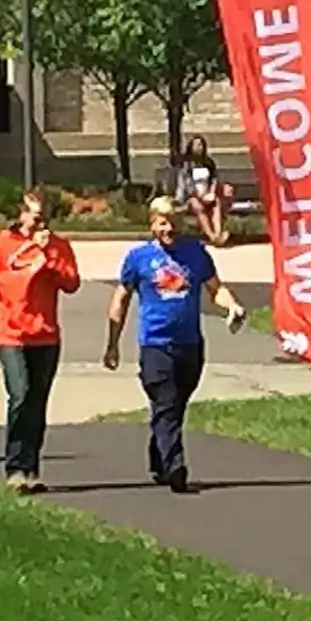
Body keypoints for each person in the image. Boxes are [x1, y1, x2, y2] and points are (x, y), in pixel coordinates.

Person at [104, 197, 247, 493]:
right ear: (152, 223)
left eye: (174, 223)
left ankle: (159, 457)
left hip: (190, 344)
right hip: (156, 345)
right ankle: (176, 466)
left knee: (173, 407)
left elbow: (215, 288)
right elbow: (121, 299)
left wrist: (232, 306)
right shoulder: (138, 257)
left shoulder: (195, 253)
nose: (169, 229)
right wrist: (112, 344)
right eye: (163, 223)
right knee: (166, 402)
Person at [0, 191, 84, 495]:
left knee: (37, 403)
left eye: (43, 216)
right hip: (13, 336)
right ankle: (15, 467)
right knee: (20, 395)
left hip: (46, 336)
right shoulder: (2, 246)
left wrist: (49, 259)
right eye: (33, 215)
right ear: (22, 214)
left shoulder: (58, 246)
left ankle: (31, 468)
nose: (38, 222)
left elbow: (71, 283)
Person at [177, 135, 234, 246]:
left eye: (201, 145)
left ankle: (218, 233)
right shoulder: (186, 165)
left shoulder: (209, 162)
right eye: (197, 145)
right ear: (191, 147)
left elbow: (214, 179)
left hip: (207, 193)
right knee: (199, 207)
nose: (199, 147)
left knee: (216, 202)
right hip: (192, 196)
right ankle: (212, 237)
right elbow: (188, 185)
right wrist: (199, 196)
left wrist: (211, 193)